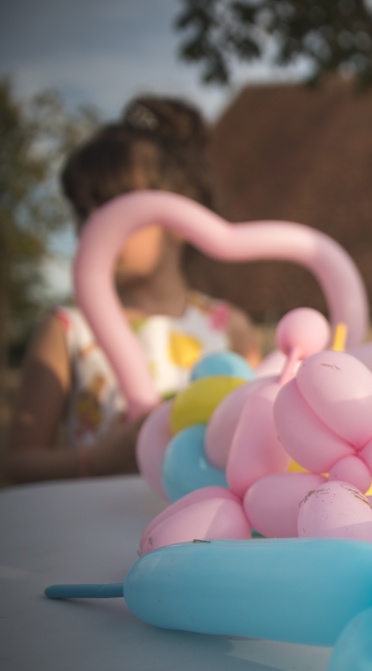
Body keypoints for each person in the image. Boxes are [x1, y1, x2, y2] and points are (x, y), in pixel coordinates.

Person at [2, 95, 261, 485]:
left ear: (180, 217)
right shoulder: (66, 330)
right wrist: (96, 461)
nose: (93, 226)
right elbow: (15, 465)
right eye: (82, 211)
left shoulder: (231, 329)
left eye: (113, 206)